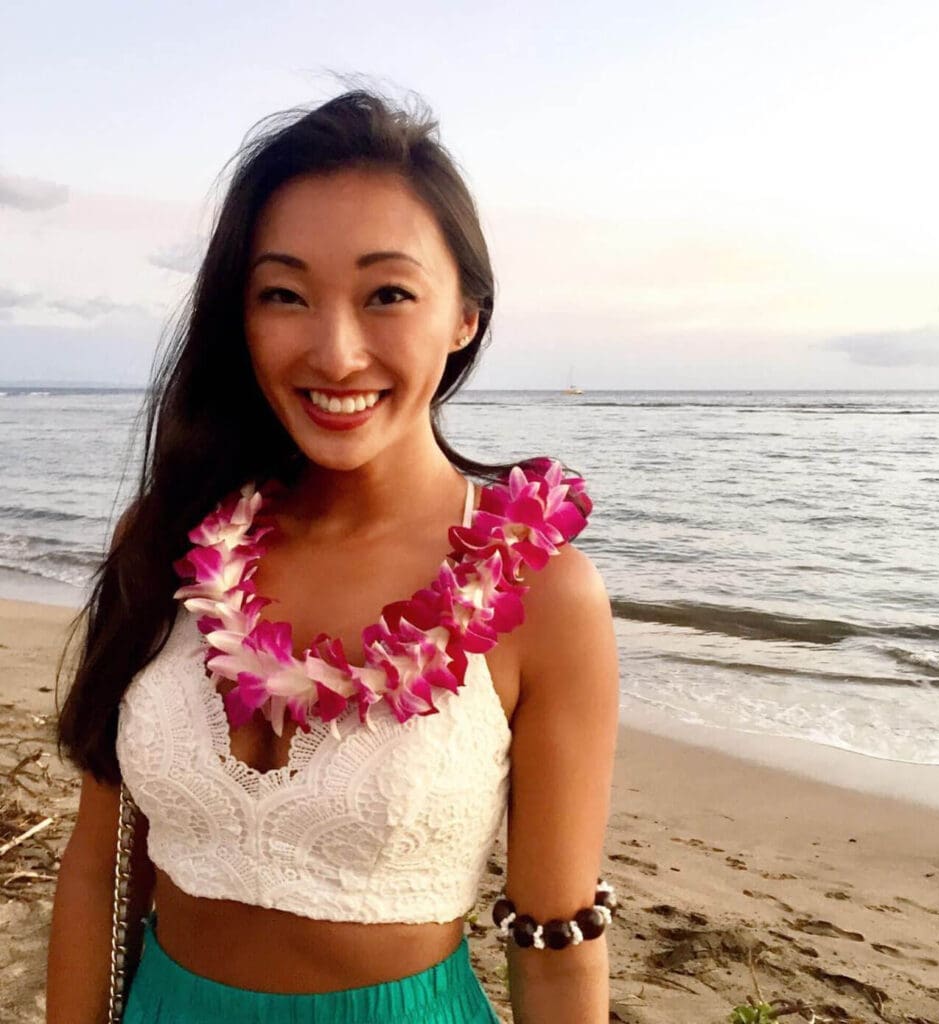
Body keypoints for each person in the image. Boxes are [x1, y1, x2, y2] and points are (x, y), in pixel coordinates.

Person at [47, 89, 620, 1024]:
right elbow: (100, 864)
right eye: (285, 294)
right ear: (242, 315)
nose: (337, 350)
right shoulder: (164, 541)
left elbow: (553, 943)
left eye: (388, 294)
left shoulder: (542, 593)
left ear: (466, 315)